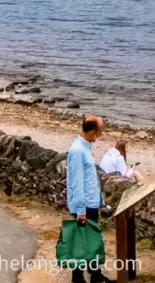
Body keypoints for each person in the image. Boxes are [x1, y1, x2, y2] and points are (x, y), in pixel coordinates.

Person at [66, 115, 110, 283]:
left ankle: (95, 275)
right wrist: (81, 211)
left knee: (91, 241)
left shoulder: (84, 148)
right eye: (99, 132)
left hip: (91, 203)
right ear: (92, 132)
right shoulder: (78, 151)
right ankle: (78, 278)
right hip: (84, 206)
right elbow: (76, 183)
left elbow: (89, 179)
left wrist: (98, 200)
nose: (99, 135)